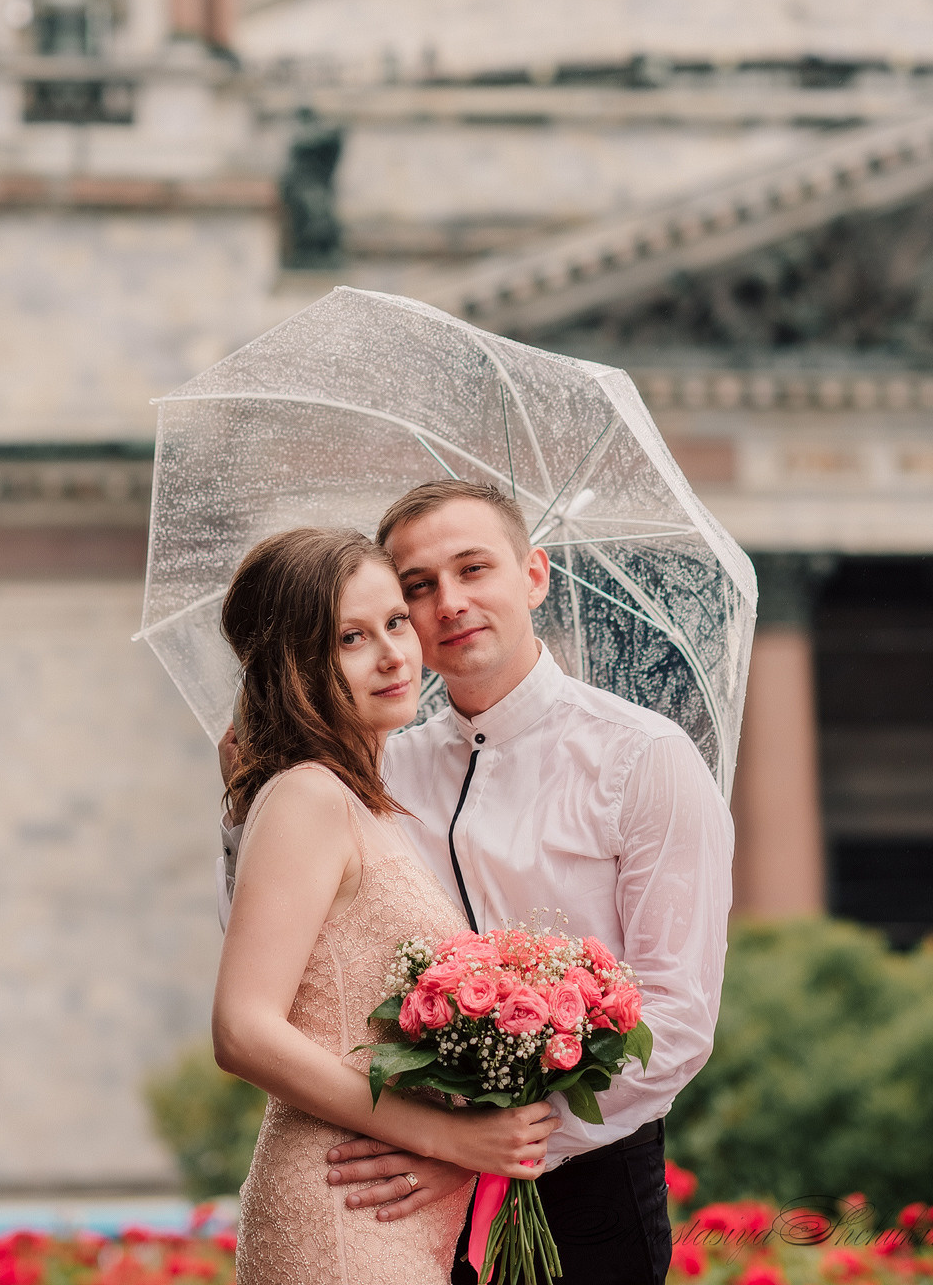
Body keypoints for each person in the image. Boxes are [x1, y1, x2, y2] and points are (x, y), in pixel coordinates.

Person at [219, 482, 735, 1285]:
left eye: (474, 569)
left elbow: (677, 1016)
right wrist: (243, 809)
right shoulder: (372, 769)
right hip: (395, 1178)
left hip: (584, 1175)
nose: (448, 603)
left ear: (533, 575)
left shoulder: (644, 757)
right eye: (416, 589)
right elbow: (293, 969)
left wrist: (499, 1149)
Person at [210, 525, 560, 1285]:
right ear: (295, 666)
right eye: (351, 638)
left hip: (395, 1213)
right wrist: (447, 1138)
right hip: (343, 1202)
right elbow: (243, 1029)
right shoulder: (308, 795)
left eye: (396, 622)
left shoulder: (367, 805)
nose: (396, 654)